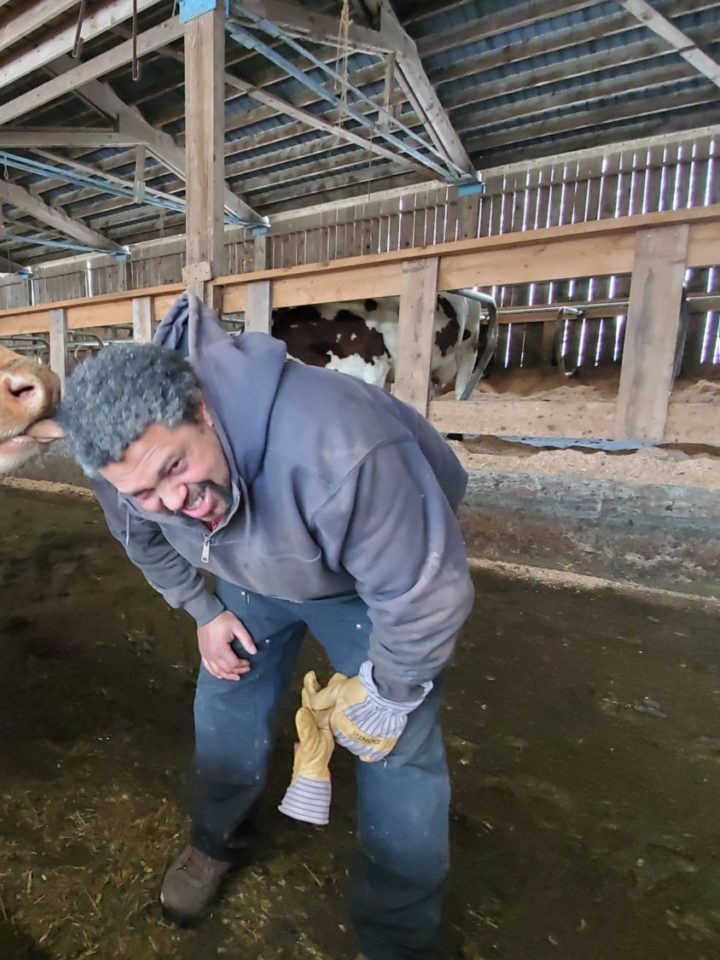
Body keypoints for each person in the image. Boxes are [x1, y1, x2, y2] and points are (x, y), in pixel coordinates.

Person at [56, 292, 474, 960]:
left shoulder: (342, 446)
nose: (171, 501)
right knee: (226, 694)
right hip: (247, 569)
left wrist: (393, 690)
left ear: (200, 409)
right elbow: (144, 537)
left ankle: (398, 937)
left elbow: (424, 589)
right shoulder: (123, 468)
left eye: (176, 468)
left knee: (395, 747)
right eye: (146, 492)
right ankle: (217, 840)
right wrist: (204, 609)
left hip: (360, 582)